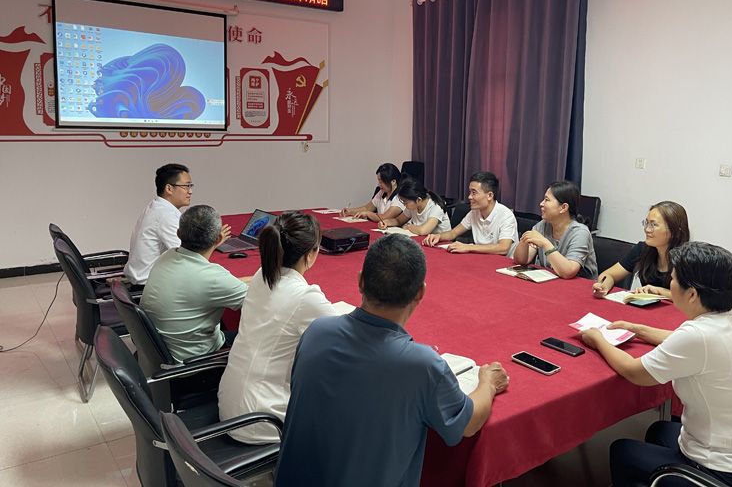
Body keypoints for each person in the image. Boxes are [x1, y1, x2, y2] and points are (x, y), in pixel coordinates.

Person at [274, 234, 509, 487]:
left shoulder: (316, 332)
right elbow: (468, 424)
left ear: (360, 281)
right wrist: (488, 383)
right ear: (420, 293)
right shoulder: (422, 366)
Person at [580, 242, 732, 487]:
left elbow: (634, 372)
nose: (669, 284)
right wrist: (637, 329)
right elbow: (684, 342)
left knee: (622, 450)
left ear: (691, 294)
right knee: (659, 430)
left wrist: (597, 339)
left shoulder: (698, 336)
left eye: (673, 279)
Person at [217, 211, 336, 444]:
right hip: (261, 418)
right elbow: (348, 337)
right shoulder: (305, 297)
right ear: (311, 255)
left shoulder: (262, 275)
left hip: (231, 402)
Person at [141, 205, 247, 362]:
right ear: (219, 239)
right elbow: (258, 301)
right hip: (196, 363)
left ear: (178, 233)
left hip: (160, 354)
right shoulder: (213, 278)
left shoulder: (167, 256)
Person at [123, 163, 231, 286]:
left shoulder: (157, 206)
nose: (190, 191)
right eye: (186, 186)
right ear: (169, 189)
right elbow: (189, 258)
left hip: (147, 277)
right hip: (149, 285)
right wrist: (214, 243)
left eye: (191, 186)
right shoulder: (165, 215)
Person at [592, 201, 689, 298]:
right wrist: (603, 286)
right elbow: (609, 275)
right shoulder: (642, 249)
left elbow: (691, 298)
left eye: (654, 225)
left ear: (674, 231)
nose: (647, 229)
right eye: (647, 223)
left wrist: (659, 291)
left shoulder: (687, 258)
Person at [512, 181, 597, 279]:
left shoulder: (580, 232)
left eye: (547, 200)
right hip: (548, 281)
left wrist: (545, 243)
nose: (541, 204)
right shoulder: (542, 225)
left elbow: (568, 272)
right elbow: (521, 261)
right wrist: (524, 240)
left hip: (578, 285)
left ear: (563, 207)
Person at [422, 171, 518, 255]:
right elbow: (453, 233)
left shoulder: (506, 215)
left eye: (474, 193)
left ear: (489, 195)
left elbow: (503, 248)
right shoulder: (474, 212)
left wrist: (468, 247)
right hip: (483, 259)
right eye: (470, 192)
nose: (469, 197)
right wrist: (438, 236)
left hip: (504, 264)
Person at [377, 177, 452, 236]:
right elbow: (398, 221)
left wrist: (408, 226)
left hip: (441, 244)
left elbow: (423, 231)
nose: (404, 204)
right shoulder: (413, 205)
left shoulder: (436, 207)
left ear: (418, 200)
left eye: (405, 202)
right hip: (423, 240)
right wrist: (386, 222)